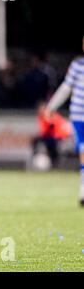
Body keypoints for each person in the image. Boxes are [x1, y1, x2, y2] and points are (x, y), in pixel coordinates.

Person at [45, 37, 84, 206]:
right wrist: (51, 106)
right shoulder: (78, 65)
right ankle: (83, 190)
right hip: (79, 115)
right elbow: (66, 87)